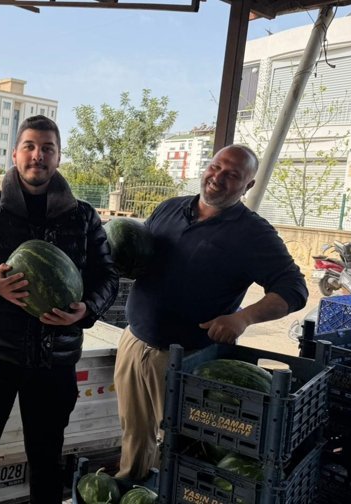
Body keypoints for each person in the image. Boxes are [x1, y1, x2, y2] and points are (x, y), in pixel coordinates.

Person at [0, 115, 119, 504]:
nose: (37, 155)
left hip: (55, 359)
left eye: (47, 149)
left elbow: (108, 276)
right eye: (30, 146)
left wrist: (86, 310)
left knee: (46, 461)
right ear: (15, 154)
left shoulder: (84, 216)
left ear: (58, 157)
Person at [113, 144, 309, 482]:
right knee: (133, 432)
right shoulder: (170, 208)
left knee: (183, 447)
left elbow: (295, 289)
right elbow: (140, 256)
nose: (218, 177)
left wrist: (243, 318)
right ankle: (131, 487)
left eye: (232, 174)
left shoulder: (253, 233)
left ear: (248, 185)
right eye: (216, 166)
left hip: (187, 359)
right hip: (134, 341)